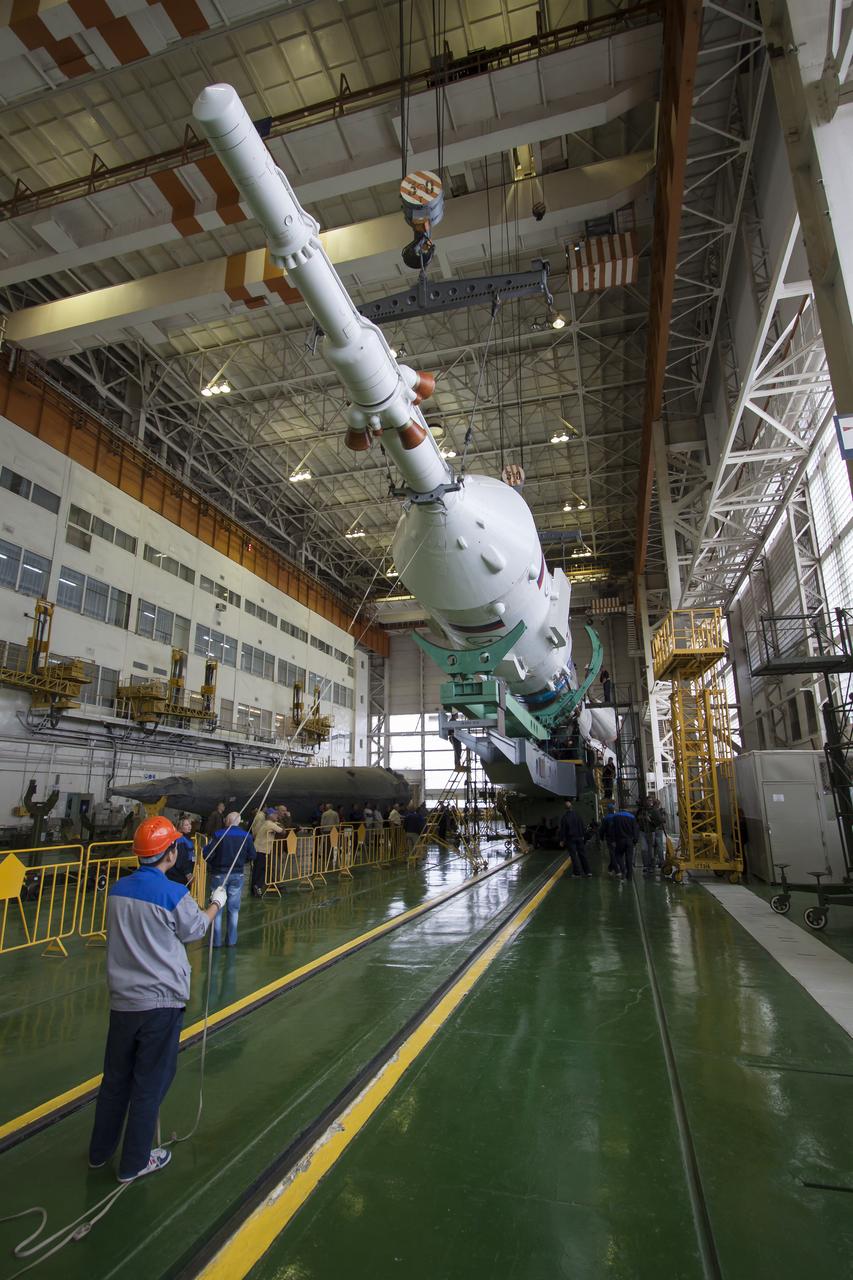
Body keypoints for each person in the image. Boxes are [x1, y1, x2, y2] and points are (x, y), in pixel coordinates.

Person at [88, 816, 225, 1183]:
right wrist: (215, 903)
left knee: (115, 1079)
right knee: (149, 1084)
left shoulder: (117, 890)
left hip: (123, 1002)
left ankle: (99, 1153)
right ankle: (134, 1163)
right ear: (169, 852)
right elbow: (195, 929)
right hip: (160, 1004)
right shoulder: (172, 894)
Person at [202, 812, 256, 947]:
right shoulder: (246, 836)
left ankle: (216, 941)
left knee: (217, 907)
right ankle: (231, 941)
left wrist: (214, 863)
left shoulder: (219, 834)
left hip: (219, 874)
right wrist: (241, 862)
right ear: (239, 822)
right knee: (234, 909)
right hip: (237, 874)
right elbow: (252, 855)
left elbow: (207, 854)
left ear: (227, 821)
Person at [600, 805, 639, 880]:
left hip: (619, 841)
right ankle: (629, 876)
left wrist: (613, 840)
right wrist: (635, 840)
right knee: (629, 858)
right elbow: (636, 829)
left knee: (618, 855)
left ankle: (623, 870)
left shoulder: (615, 817)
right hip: (629, 841)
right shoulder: (632, 817)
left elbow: (612, 829)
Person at [252, 807, 283, 898]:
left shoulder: (266, 823)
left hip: (259, 849)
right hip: (262, 850)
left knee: (257, 870)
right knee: (262, 870)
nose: (277, 816)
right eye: (275, 815)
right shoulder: (270, 824)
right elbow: (282, 831)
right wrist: (279, 824)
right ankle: (257, 887)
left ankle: (254, 889)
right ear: (271, 815)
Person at [559, 800, 591, 877]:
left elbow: (563, 830)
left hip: (571, 839)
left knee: (574, 856)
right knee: (582, 854)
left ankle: (577, 872)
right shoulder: (578, 815)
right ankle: (588, 872)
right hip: (580, 838)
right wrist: (584, 836)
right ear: (572, 807)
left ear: (565, 808)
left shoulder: (564, 817)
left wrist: (562, 840)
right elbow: (582, 826)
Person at [166, 817, 196, 886]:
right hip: (178, 876)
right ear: (180, 827)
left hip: (182, 873)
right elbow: (181, 859)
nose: (189, 826)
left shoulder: (185, 837)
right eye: (186, 825)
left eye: (189, 824)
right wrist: (188, 873)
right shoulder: (180, 840)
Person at [648, 799, 666, 870]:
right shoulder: (656, 810)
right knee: (659, 846)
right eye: (658, 804)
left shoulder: (652, 810)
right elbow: (660, 820)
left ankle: (653, 861)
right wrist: (663, 818)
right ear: (657, 804)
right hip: (658, 830)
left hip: (653, 830)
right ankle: (661, 861)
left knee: (654, 846)